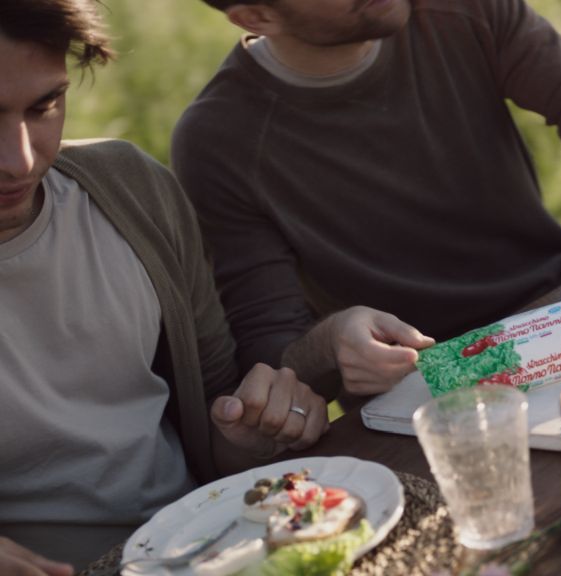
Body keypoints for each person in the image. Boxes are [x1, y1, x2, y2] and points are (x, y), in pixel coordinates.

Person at [173, 0, 561, 397]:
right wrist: (332, 343)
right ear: (257, 16)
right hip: (430, 384)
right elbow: (270, 354)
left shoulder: (459, 11)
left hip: (560, 312)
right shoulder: (219, 139)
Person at [0, 1, 340, 571]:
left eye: (45, 106)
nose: (20, 159)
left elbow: (214, 410)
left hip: (218, 541)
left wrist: (251, 432)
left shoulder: (135, 192)